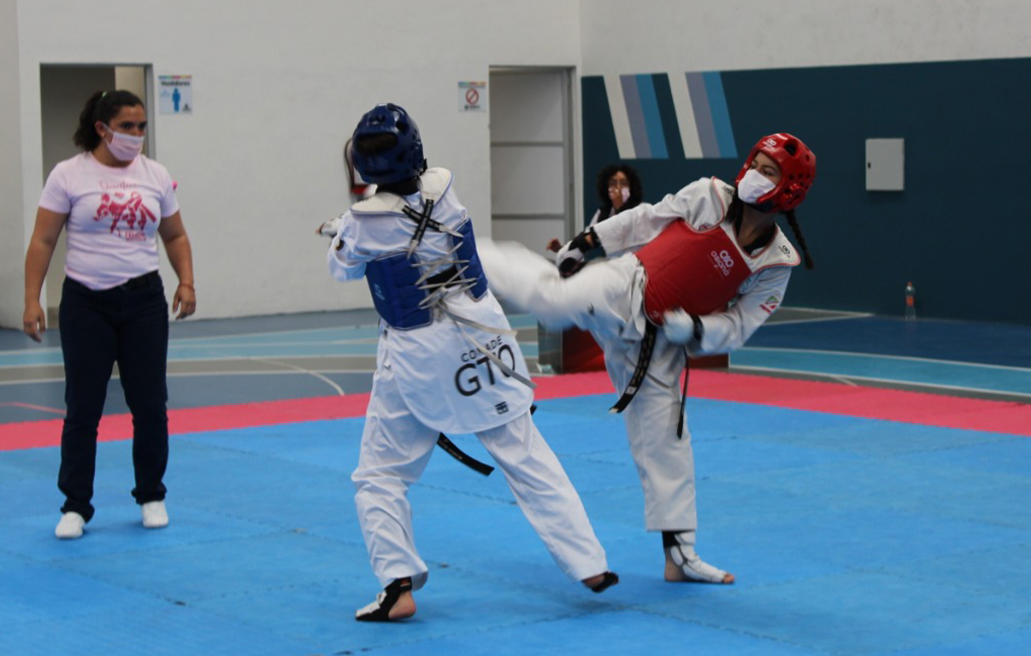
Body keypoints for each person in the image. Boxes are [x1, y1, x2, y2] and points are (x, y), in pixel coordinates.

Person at [481, 133, 817, 585]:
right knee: (554, 303)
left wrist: (697, 330)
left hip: (660, 346)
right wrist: (588, 239)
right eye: (755, 163)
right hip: (626, 286)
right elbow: (645, 220)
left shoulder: (776, 264)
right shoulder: (711, 196)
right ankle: (473, 251)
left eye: (769, 170)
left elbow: (739, 326)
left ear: (790, 188)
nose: (755, 175)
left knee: (667, 442)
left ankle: (680, 556)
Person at [325, 103, 617, 622]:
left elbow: (343, 266)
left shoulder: (363, 222)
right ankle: (589, 562)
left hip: (417, 353)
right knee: (525, 453)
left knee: (380, 473)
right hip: (482, 337)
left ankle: (398, 585)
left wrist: (342, 231)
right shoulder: (444, 189)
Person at [23, 89, 196, 540]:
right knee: (83, 407)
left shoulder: (155, 175)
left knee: (150, 404)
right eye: (127, 127)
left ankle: (152, 494)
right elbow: (43, 240)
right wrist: (31, 299)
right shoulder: (68, 175)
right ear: (102, 129)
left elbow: (174, 235)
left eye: (142, 127)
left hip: (142, 302)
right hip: (86, 303)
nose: (136, 136)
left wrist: (186, 280)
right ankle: (76, 505)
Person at [546, 164, 643, 252]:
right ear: (606, 189)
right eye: (613, 184)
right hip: (613, 266)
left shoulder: (640, 211)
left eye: (623, 183)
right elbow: (584, 239)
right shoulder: (603, 213)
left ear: (631, 187)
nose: (618, 187)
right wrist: (562, 249)